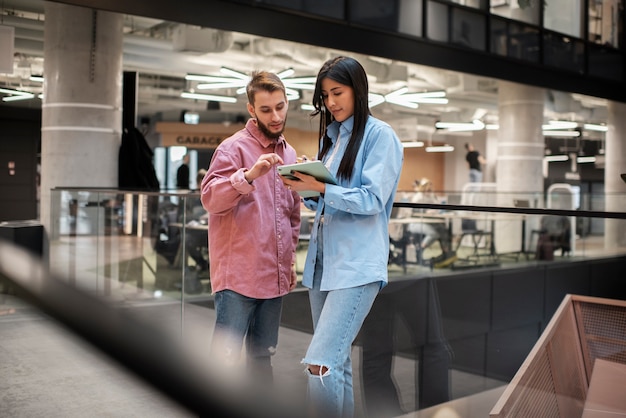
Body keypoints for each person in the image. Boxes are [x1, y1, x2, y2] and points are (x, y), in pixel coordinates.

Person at [281, 56, 404, 418]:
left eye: (338, 92)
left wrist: (321, 186)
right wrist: (306, 186)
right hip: (322, 266)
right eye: (325, 95)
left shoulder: (381, 136)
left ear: (358, 90)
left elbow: (371, 199)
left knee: (320, 364)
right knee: (337, 364)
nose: (331, 102)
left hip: (356, 267)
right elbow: (326, 202)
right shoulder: (332, 140)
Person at [200, 71, 301, 382]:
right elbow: (210, 199)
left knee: (262, 357)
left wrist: (290, 262)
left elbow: (291, 215)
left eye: (280, 107)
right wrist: (247, 177)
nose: (276, 116)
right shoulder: (233, 149)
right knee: (224, 362)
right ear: (251, 110)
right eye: (266, 109)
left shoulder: (290, 154)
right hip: (238, 277)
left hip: (274, 276)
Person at [407, 178, 456, 267]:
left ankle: (446, 253)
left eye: (430, 187)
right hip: (416, 222)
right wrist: (426, 212)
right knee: (433, 234)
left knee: (443, 229)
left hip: (430, 220)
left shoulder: (432, 196)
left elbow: (437, 206)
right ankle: (419, 251)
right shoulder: (418, 196)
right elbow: (414, 211)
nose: (429, 189)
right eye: (427, 187)